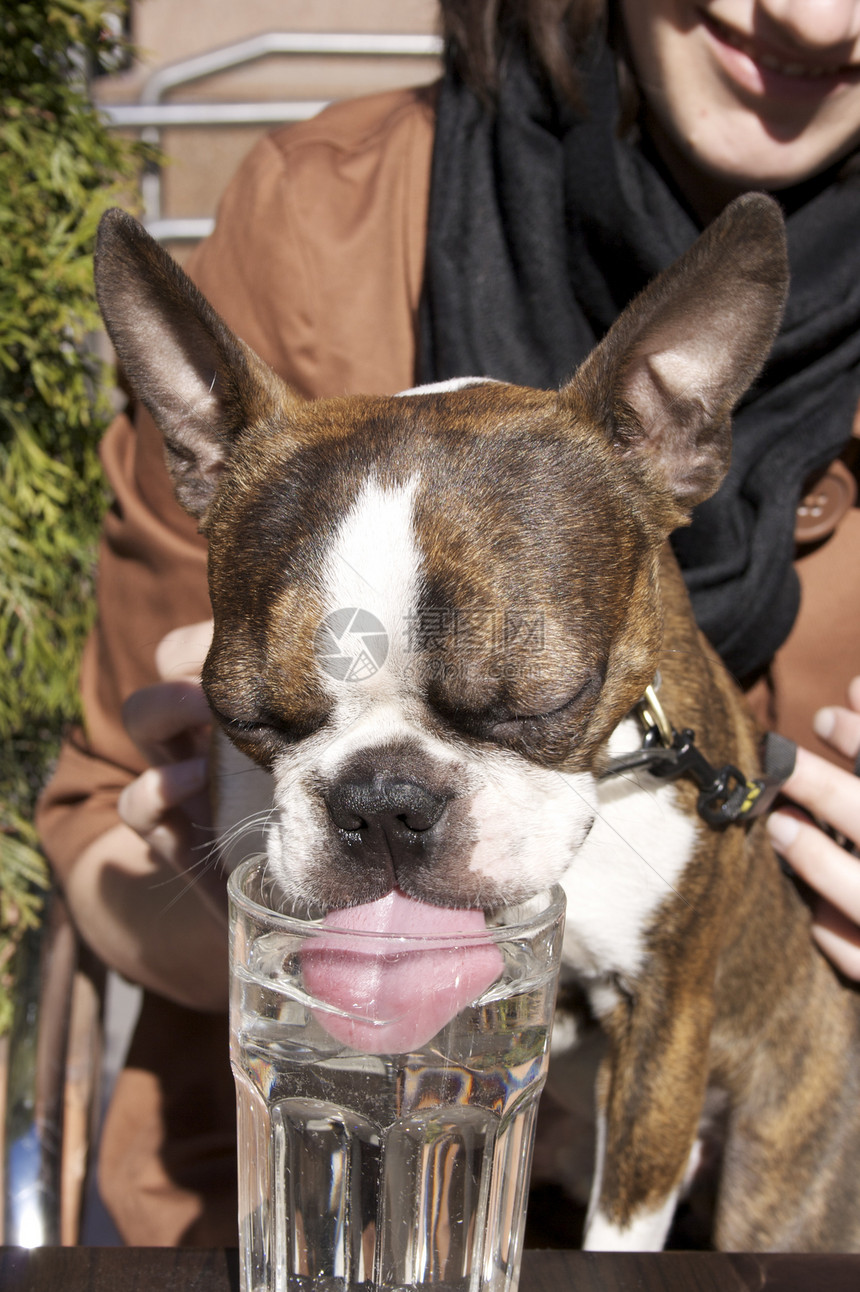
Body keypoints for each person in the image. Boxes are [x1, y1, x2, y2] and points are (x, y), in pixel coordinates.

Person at [38, 0, 860, 1247]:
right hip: (290, 1196)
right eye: (277, 706)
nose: (809, 12)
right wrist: (226, 883)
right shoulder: (315, 214)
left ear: (685, 427)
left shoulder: (622, 470)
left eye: (522, 701)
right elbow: (91, 818)